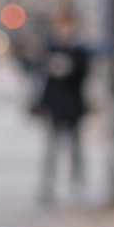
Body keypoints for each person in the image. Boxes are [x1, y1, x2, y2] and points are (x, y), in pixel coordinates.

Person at [37, 11, 88, 205]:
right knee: (51, 148)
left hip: (73, 106)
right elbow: (44, 81)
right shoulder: (50, 47)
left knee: (76, 148)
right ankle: (48, 184)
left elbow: (83, 75)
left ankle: (78, 183)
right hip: (55, 107)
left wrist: (69, 69)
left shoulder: (79, 50)